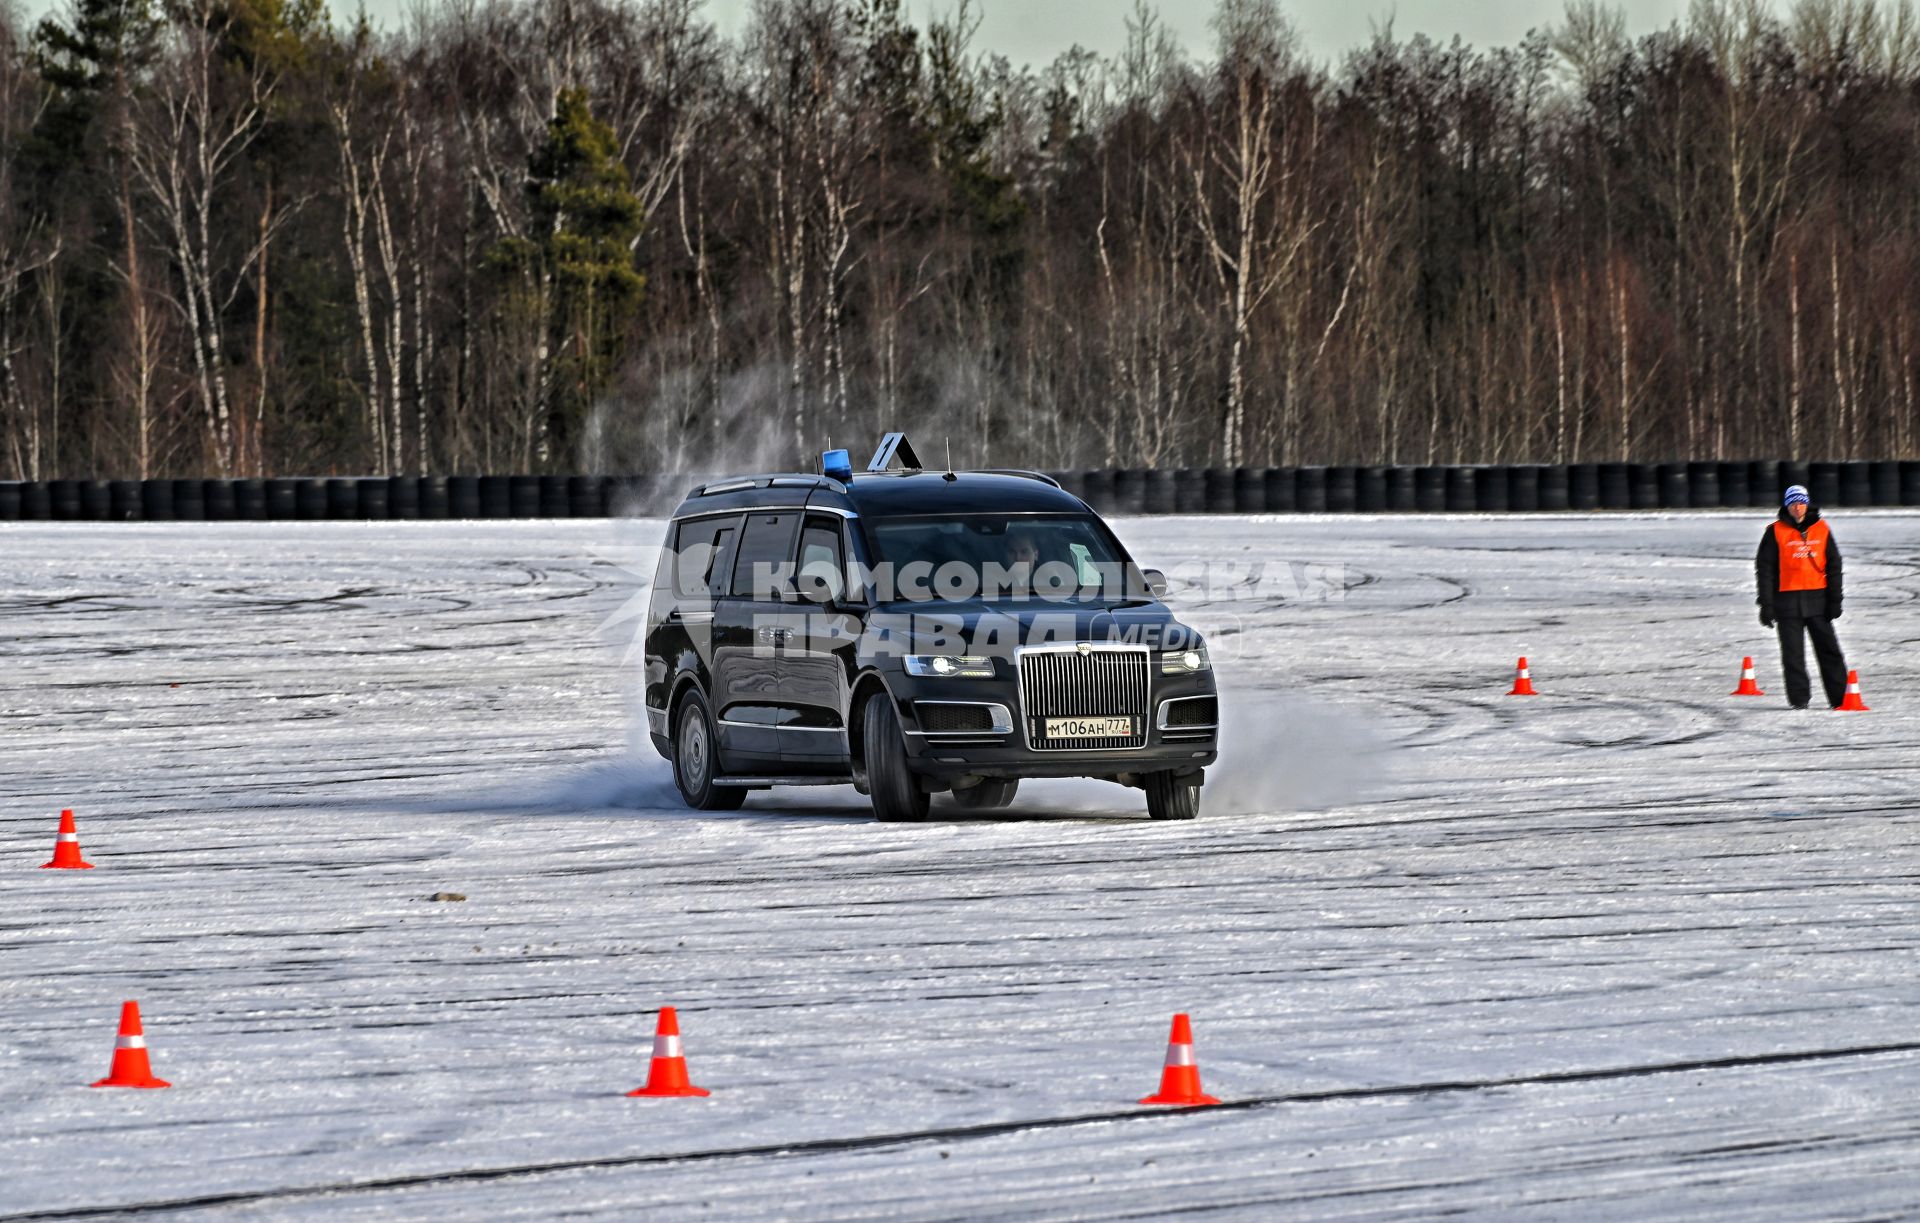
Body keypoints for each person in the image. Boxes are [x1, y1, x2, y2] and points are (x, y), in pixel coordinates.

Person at [1755, 484, 1847, 709]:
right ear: (1787, 506)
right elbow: (1764, 569)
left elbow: (1834, 565)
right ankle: (1799, 700)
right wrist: (1766, 604)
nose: (1798, 507)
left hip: (1818, 602)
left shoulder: (1822, 529)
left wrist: (1835, 600)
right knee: (1793, 656)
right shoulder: (1774, 531)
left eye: (1801, 502)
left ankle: (1841, 698)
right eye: (1793, 503)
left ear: (1807, 503)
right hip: (1786, 604)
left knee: (1829, 651)